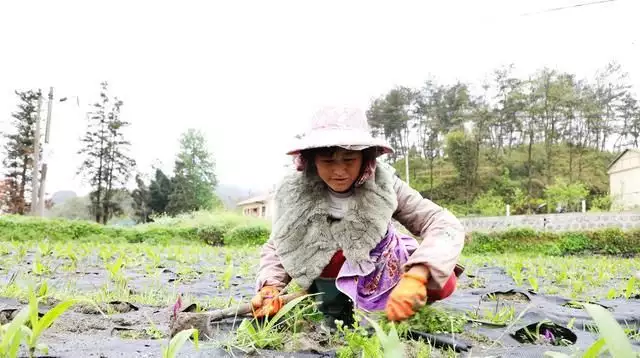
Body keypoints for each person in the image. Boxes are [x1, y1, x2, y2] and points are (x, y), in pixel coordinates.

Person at [250, 106, 465, 325]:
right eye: (328, 161)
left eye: (349, 159)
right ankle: (334, 299)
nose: (339, 171)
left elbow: (441, 222)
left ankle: (391, 300)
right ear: (312, 160)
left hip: (378, 265)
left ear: (365, 157)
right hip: (327, 272)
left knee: (442, 279)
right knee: (331, 248)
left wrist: (417, 275)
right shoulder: (295, 190)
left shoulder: (385, 184)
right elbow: (280, 242)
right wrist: (270, 286)